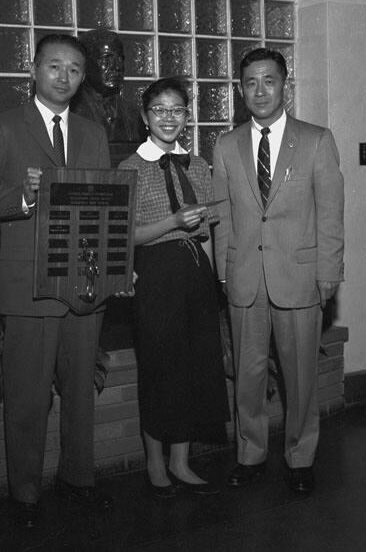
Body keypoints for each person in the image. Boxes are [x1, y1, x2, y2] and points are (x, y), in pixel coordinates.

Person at [0, 34, 113, 528]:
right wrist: (24, 197)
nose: (64, 77)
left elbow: (108, 207)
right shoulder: (3, 127)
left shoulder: (93, 132)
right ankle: (24, 495)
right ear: (33, 70)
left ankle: (78, 480)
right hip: (29, 286)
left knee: (79, 394)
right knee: (27, 397)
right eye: (54, 67)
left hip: (85, 283)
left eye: (74, 69)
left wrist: (114, 266)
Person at [212, 48, 344, 495]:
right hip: (245, 278)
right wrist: (224, 273)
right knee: (247, 377)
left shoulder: (316, 140)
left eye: (269, 81)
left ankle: (300, 457)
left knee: (300, 375)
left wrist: (329, 272)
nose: (260, 91)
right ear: (240, 89)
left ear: (285, 85)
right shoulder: (227, 146)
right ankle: (250, 454)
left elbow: (330, 215)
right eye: (250, 82)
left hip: (300, 277)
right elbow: (222, 215)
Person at [119, 77, 229, 498]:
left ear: (187, 116)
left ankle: (182, 461)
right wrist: (172, 223)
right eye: (160, 110)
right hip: (155, 277)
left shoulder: (198, 165)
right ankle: (154, 462)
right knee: (160, 368)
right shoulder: (130, 168)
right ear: (146, 117)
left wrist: (216, 277)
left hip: (196, 276)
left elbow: (205, 231)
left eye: (177, 110)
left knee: (193, 368)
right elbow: (124, 236)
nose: (169, 117)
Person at [72, 28, 142, 146]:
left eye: (120, 59)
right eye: (106, 59)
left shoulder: (134, 114)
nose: (117, 67)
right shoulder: (69, 111)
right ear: (84, 63)